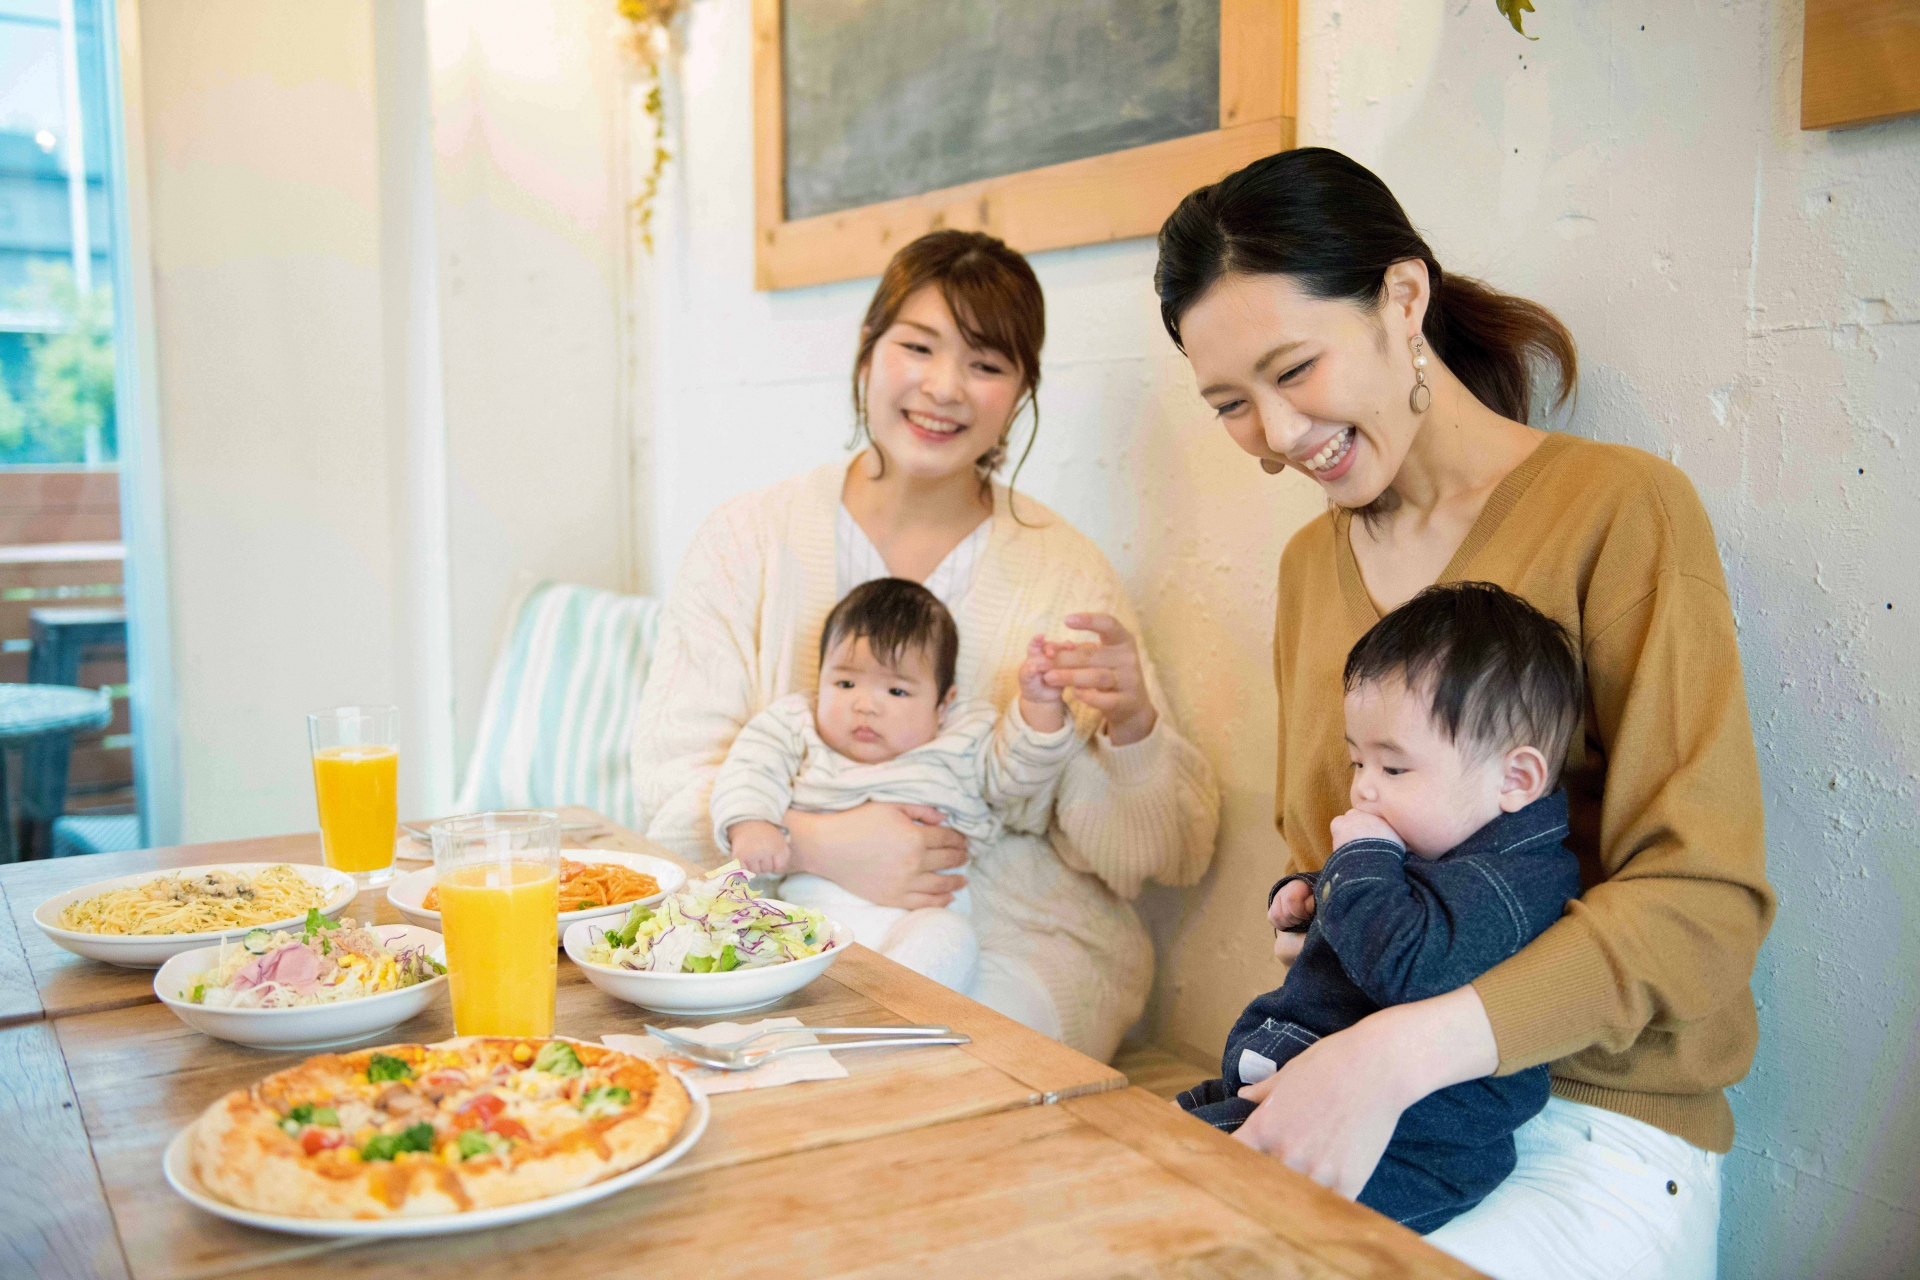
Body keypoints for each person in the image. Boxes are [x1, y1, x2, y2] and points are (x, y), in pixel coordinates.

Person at [1154, 147, 1773, 1279]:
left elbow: (1705, 904)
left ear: (1402, 298)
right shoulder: (1308, 567)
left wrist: (1404, 1050)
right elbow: (1333, 834)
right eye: (1231, 404)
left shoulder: (1618, 511)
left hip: (1591, 1126)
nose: (1279, 434)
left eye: (1296, 369)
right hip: (1360, 1086)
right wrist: (1322, 905)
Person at [633, 229, 1219, 1063]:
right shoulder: (746, 540)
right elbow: (668, 790)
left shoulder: (1063, 569)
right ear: (869, 351)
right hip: (780, 918)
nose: (945, 389)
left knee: (929, 1064)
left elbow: (1159, 857)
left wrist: (1132, 727)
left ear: (1021, 392)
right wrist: (818, 842)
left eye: (986, 364)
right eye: (917, 346)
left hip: (1016, 942)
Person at [1178, 581, 1585, 1235]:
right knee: (1150, 1139)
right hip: (1295, 1077)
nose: (1363, 786)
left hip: (1416, 1149)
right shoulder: (1444, 828)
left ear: (1517, 780)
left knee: (1199, 1207)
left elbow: (1407, 962)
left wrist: (1359, 863)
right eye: (1355, 760)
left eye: (1393, 770)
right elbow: (1391, 889)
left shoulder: (1515, 884)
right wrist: (1311, 894)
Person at [710, 577, 1078, 993]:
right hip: (813, 916)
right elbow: (748, 768)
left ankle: (890, 1013)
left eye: (897, 690)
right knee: (758, 942)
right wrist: (750, 824)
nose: (865, 704)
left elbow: (1020, 775)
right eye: (845, 683)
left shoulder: (965, 735)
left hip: (921, 916)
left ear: (943, 704)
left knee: (951, 940)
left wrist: (1040, 706)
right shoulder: (797, 723)